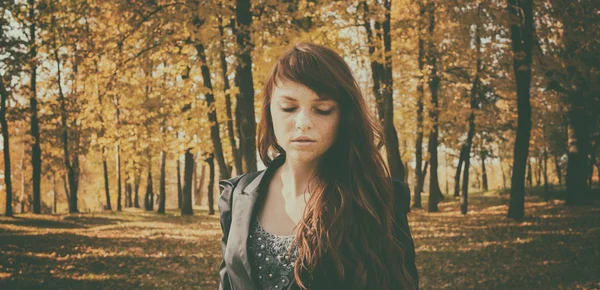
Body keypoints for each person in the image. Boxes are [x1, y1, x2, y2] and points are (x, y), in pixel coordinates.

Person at [218, 42, 418, 290]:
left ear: (343, 115)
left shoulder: (377, 199)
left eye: (322, 109)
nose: (303, 122)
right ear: (269, 110)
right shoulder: (237, 196)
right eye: (288, 107)